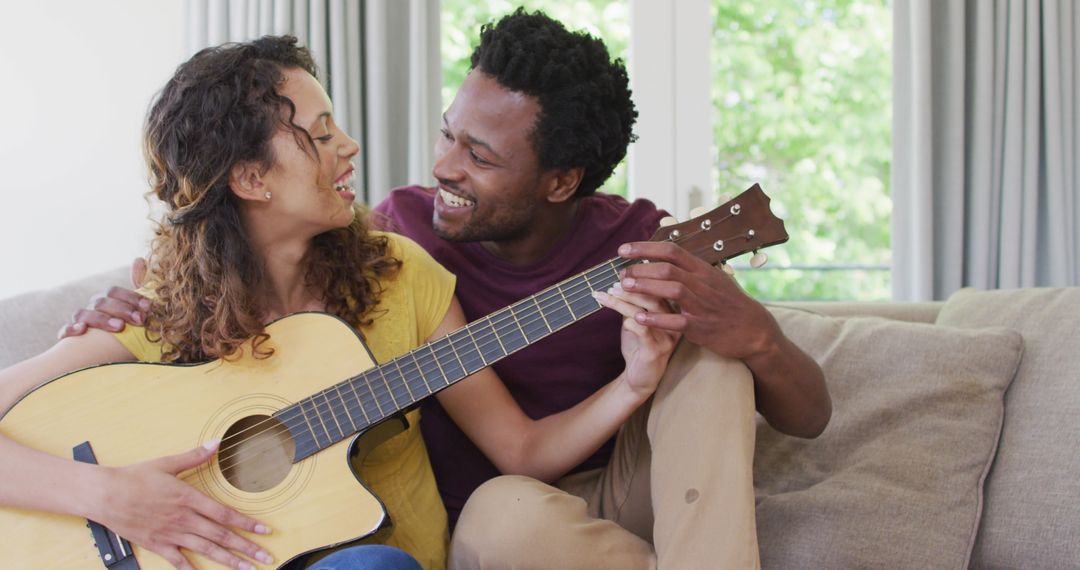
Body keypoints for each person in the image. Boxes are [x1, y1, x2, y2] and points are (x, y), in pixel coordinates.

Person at [64, 9, 831, 569]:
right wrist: (124, 335)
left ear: (561, 181)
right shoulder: (382, 242)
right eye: (446, 134)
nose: (442, 168)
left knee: (714, 358)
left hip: (631, 486)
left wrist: (746, 339)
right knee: (498, 518)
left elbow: (809, 416)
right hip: (513, 521)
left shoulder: (626, 243)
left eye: (480, 155)